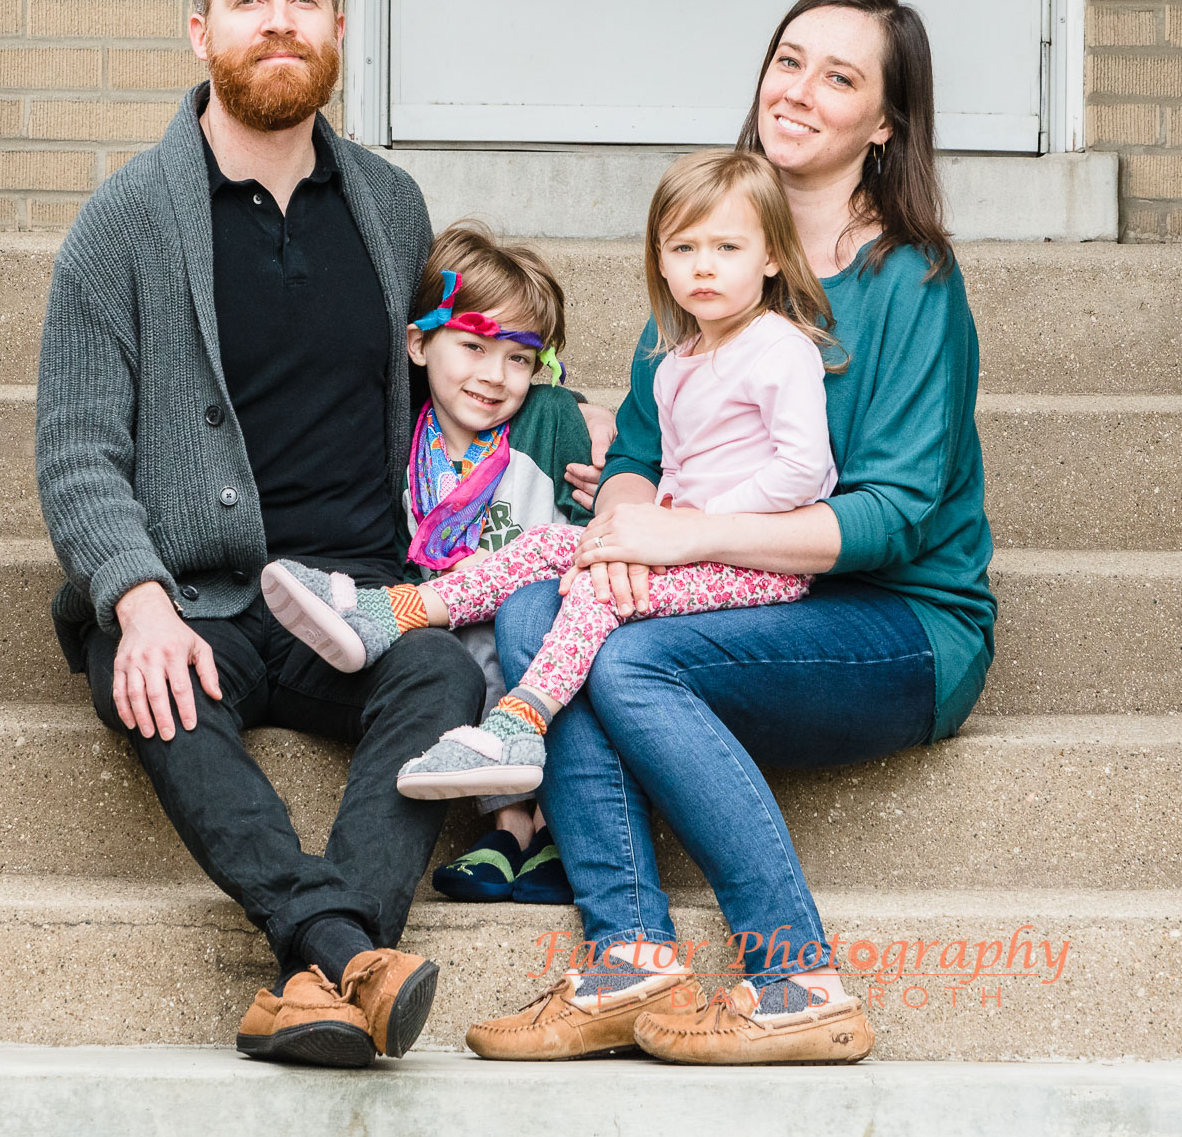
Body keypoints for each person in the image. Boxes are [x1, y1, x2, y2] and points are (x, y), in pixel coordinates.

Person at [34, 0, 607, 1069]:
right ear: (200, 31)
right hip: (197, 598)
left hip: (356, 597)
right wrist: (136, 600)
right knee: (152, 681)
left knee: (443, 669)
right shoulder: (123, 223)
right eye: (248, 0)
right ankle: (343, 951)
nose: (278, 21)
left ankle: (314, 978)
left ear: (339, 27)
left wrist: (586, 422)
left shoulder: (388, 208)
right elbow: (76, 450)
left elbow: (469, 360)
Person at [462, 0, 995, 1065]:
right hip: (725, 590)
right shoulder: (713, 253)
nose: (797, 91)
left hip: (895, 620)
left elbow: (893, 518)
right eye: (788, 60)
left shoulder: (911, 284)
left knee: (630, 662)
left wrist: (685, 534)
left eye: (839, 77)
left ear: (884, 124)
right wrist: (623, 535)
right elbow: (635, 459)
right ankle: (629, 961)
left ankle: (795, 977)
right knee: (532, 613)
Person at [271, 149, 838, 805]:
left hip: (755, 562)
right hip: (684, 544)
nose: (704, 265)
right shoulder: (676, 360)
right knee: (542, 547)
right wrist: (652, 518)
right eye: (684, 247)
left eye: (727, 247)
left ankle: (521, 722)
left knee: (595, 588)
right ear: (659, 260)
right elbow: (676, 468)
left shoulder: (780, 349)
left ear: (772, 257)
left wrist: (689, 525)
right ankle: (386, 614)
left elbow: (805, 470)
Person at [262, 221, 590, 905]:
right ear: (418, 344)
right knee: (454, 653)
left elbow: (589, 525)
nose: (494, 376)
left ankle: (548, 827)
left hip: (543, 613)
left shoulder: (551, 418)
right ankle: (507, 829)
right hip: (445, 618)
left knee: (516, 633)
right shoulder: (396, 431)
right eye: (473, 346)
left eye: (519, 358)